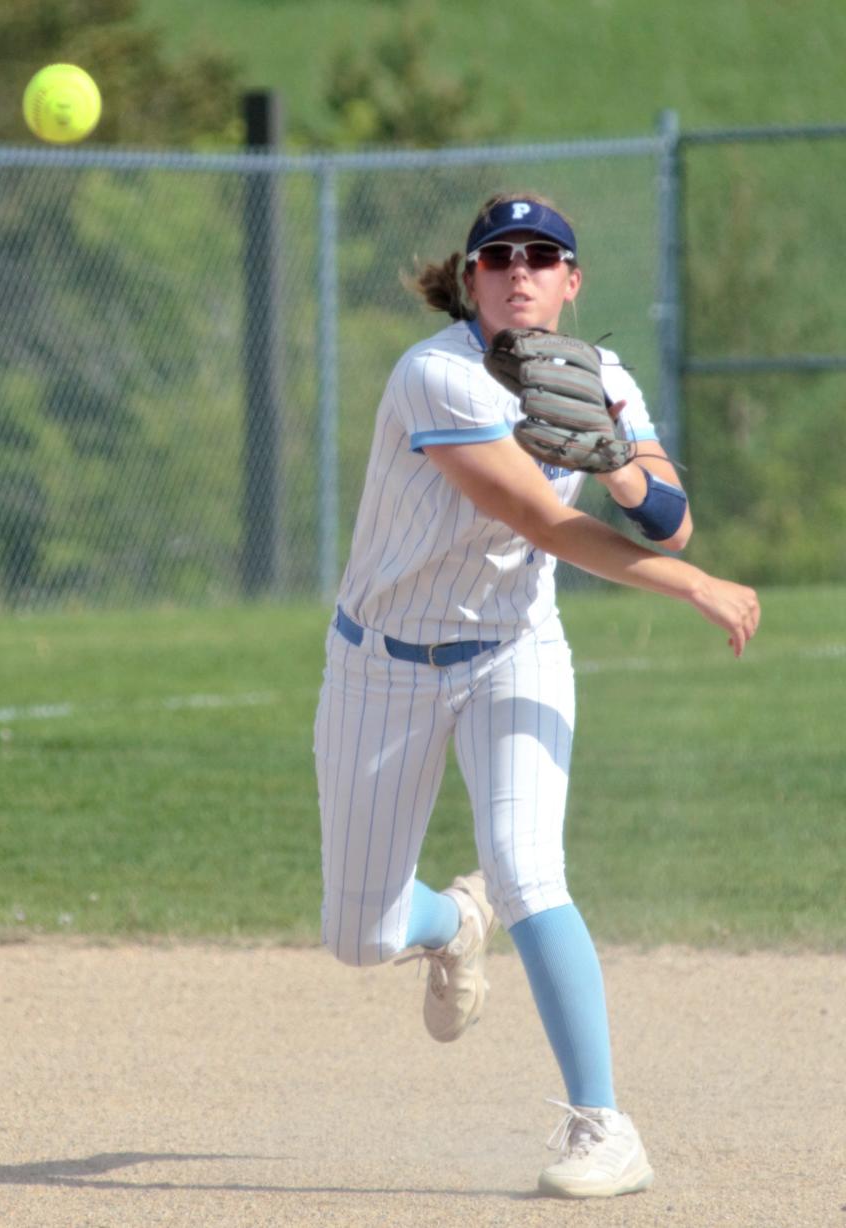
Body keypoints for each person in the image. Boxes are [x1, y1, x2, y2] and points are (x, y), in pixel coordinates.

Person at [313, 191, 760, 1199]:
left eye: (543, 255)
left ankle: (603, 1125)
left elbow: (670, 513)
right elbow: (546, 523)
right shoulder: (436, 376)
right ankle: (450, 925)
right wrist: (693, 585)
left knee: (527, 867)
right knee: (360, 935)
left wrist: (624, 468)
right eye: (499, 254)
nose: (521, 268)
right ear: (470, 278)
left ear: (572, 281)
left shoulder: (602, 375)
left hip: (515, 649)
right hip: (381, 664)